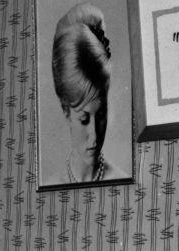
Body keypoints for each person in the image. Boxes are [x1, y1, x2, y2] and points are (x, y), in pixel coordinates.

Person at [51, 4, 123, 184]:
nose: (94, 134)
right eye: (84, 120)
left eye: (100, 115)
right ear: (66, 111)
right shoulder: (52, 183)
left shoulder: (120, 178)